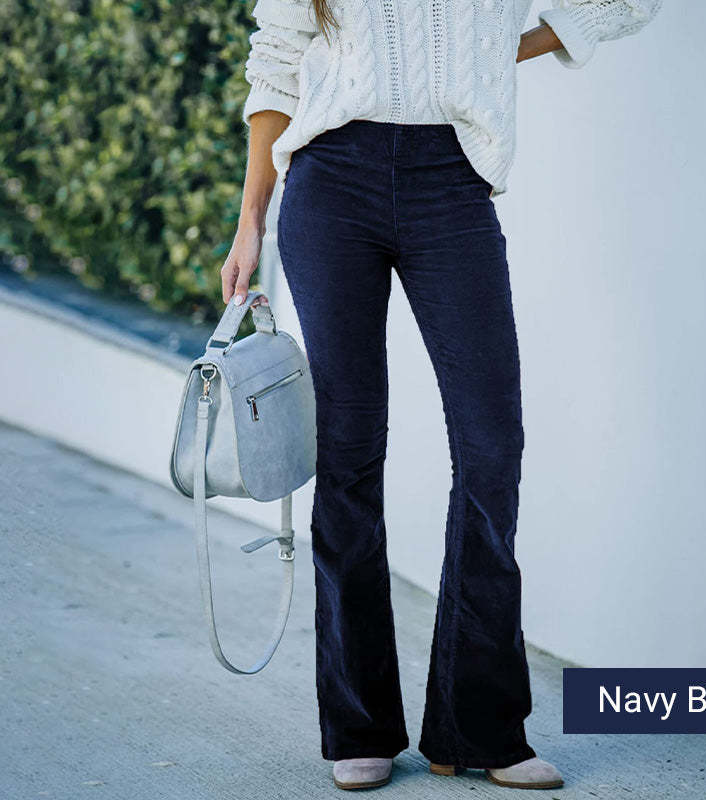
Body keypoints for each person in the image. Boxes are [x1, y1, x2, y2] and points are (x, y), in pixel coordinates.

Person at [221, 0, 661, 790]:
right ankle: (359, 726)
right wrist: (251, 218)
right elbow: (276, 60)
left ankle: (479, 729)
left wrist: (491, 49)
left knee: (492, 447)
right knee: (350, 453)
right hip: (331, 179)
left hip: (453, 182)